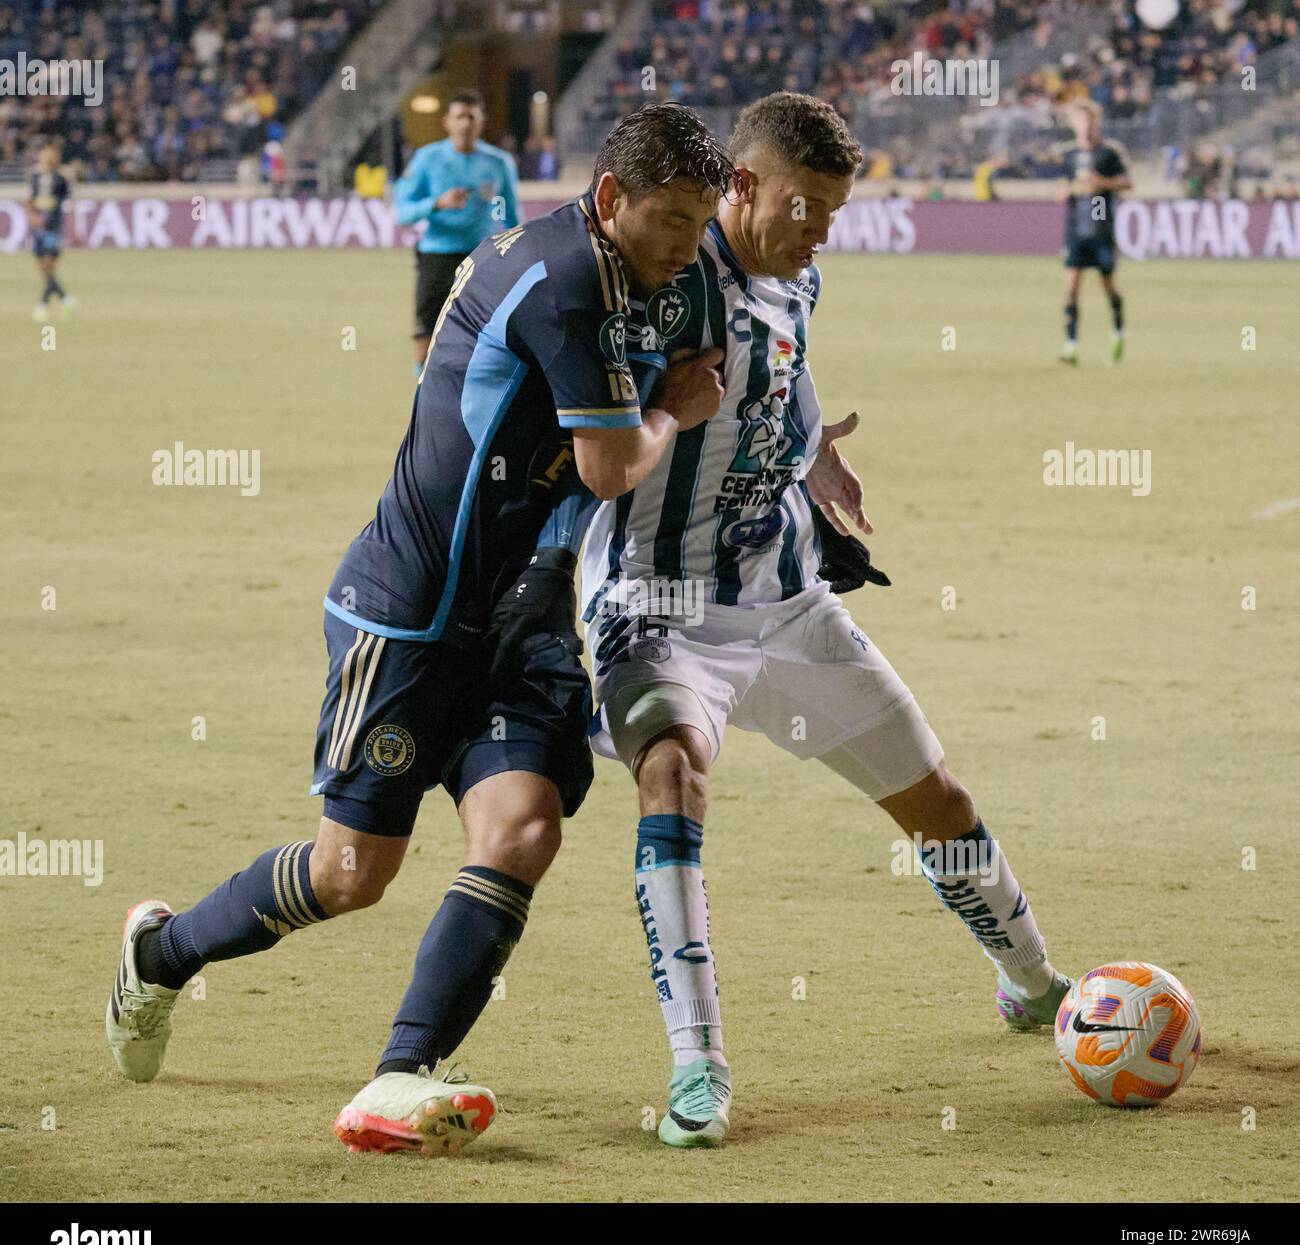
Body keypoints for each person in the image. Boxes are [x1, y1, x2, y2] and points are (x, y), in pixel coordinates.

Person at [106, 104, 733, 1157]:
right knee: (353, 876)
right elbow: (611, 464)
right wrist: (676, 410)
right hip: (410, 613)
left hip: (519, 616)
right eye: (671, 218)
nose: (686, 242)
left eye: (701, 219)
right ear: (613, 199)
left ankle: (400, 1076)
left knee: (524, 829)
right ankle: (159, 955)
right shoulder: (562, 279)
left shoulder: (647, 273)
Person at [581, 93, 1073, 1148]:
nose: (818, 233)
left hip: (788, 602)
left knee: (935, 800)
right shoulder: (663, 282)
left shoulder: (799, 275)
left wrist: (815, 451)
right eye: (804, 208)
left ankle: (1031, 984)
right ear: (741, 186)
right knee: (672, 780)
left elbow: (789, 376)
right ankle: (699, 1068)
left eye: (834, 215)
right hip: (656, 606)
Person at [394, 90, 521, 373]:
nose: (465, 123)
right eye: (459, 117)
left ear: (481, 121)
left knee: (486, 335)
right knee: (426, 335)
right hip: (436, 257)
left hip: (483, 259)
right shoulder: (427, 159)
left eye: (471, 117)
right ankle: (423, 392)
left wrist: (522, 256)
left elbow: (512, 216)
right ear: (447, 122)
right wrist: (437, 203)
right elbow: (402, 212)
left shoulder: (499, 163)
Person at [1059, 100, 1131, 365]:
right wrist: (1067, 190)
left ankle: (1117, 333)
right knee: (1071, 288)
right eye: (1080, 121)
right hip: (1076, 228)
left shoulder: (1107, 154)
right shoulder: (1069, 155)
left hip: (1100, 224)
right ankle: (1071, 345)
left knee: (1108, 285)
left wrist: (1102, 183)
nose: (1085, 127)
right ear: (1073, 124)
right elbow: (1062, 185)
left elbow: (1127, 182)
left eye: (1089, 122)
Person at [28, 145, 76, 322]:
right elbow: (29, 200)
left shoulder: (61, 179)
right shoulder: (35, 177)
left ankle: (42, 305)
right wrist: (32, 216)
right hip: (38, 228)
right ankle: (65, 299)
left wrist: (72, 227)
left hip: (53, 227)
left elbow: (69, 203)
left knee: (48, 265)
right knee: (44, 268)